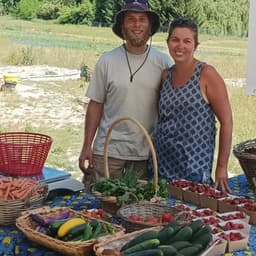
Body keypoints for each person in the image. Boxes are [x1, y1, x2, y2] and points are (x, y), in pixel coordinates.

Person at [78, 0, 172, 189]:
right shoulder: (107, 61)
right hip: (108, 151)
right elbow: (96, 104)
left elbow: (171, 107)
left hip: (145, 153)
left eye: (142, 19)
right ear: (122, 26)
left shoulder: (163, 62)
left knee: (138, 209)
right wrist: (86, 146)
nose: (137, 25)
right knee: (99, 206)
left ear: (150, 26)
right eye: (131, 19)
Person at [149, 18, 233, 192]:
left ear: (195, 45)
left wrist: (222, 167)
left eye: (187, 41)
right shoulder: (166, 76)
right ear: (168, 42)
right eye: (175, 40)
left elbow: (227, 122)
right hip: (162, 165)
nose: (180, 46)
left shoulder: (206, 74)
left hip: (193, 168)